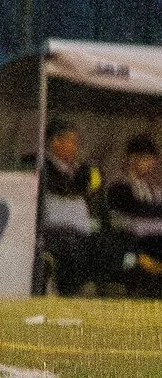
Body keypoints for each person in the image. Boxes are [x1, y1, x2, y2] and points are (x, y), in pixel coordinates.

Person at [36, 121, 111, 295]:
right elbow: (59, 188)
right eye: (71, 141)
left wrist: (92, 183)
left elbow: (94, 192)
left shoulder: (77, 169)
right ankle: (71, 290)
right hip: (53, 229)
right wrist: (78, 184)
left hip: (79, 230)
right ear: (56, 141)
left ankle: (103, 287)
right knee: (70, 243)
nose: (75, 147)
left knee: (104, 242)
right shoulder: (41, 164)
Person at [107, 132, 162, 296]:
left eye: (153, 160)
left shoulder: (151, 188)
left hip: (153, 239)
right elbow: (136, 213)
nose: (151, 164)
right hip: (131, 241)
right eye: (147, 159)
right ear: (132, 158)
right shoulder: (119, 185)